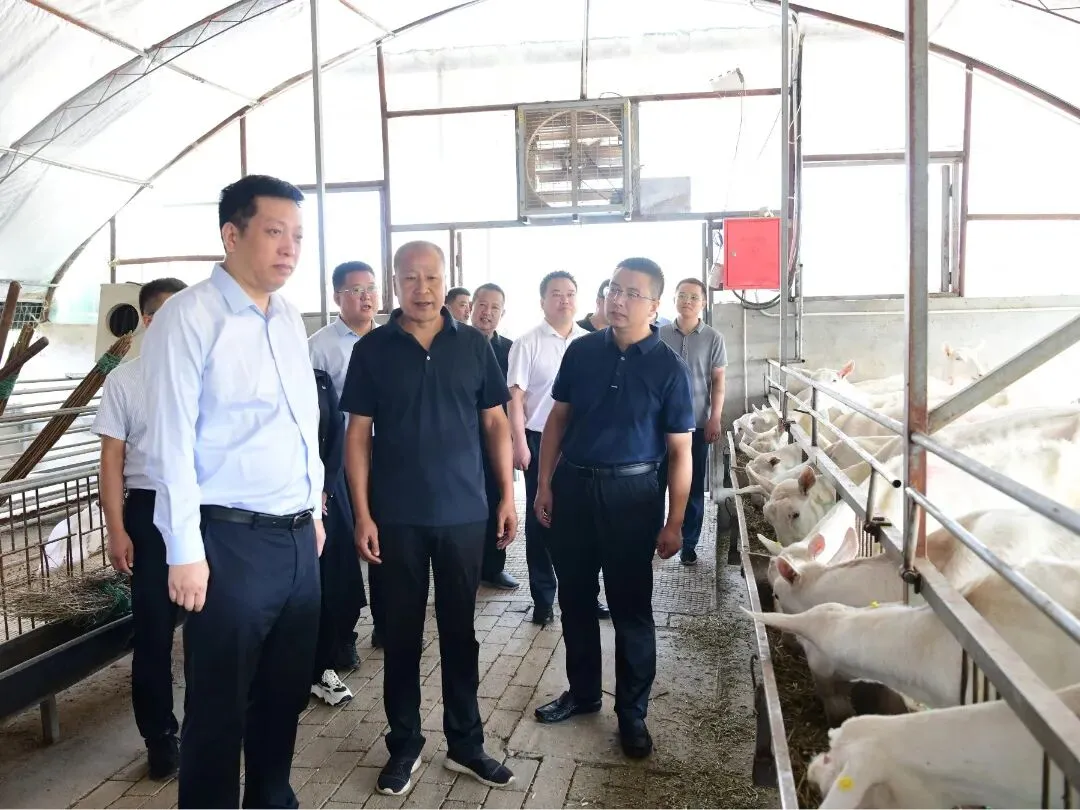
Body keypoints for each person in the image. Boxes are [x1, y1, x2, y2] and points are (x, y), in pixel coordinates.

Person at [142, 174, 325, 809]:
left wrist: (314, 509)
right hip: (229, 542)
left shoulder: (287, 317)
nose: (289, 248)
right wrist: (184, 551)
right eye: (274, 232)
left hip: (297, 538)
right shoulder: (189, 318)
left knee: (284, 694)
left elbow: (301, 420)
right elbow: (169, 442)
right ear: (231, 234)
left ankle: (272, 798)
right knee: (219, 707)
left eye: (297, 235)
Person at [341, 241, 518, 797]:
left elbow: (495, 424)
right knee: (400, 635)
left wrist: (507, 495)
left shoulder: (473, 345)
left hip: (463, 513)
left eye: (433, 278)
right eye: (411, 278)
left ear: (447, 280)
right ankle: (404, 743)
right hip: (396, 518)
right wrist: (363, 513)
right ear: (395, 283)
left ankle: (466, 743)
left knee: (460, 633)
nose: (423, 289)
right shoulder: (373, 350)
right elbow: (357, 436)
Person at [532, 257, 694, 760]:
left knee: (630, 608)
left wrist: (675, 521)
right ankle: (583, 694)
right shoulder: (582, 352)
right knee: (575, 599)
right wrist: (543, 484)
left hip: (633, 496)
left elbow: (681, 452)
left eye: (632, 293)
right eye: (613, 290)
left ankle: (632, 713)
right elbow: (557, 421)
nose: (618, 300)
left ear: (655, 305)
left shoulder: (669, 368)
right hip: (574, 489)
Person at [92, 277, 187, 780]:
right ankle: (160, 737)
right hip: (149, 512)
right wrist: (117, 529)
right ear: (149, 320)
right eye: (172, 311)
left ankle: (209, 724)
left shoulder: (207, 371)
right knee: (153, 630)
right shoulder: (125, 381)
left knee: (215, 623)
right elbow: (111, 460)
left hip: (205, 506)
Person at [507, 271, 609, 626]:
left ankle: (586, 595)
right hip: (539, 441)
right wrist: (520, 443)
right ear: (542, 301)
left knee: (585, 520)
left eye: (569, 293)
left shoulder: (592, 343)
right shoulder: (527, 343)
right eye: (556, 294)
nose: (564, 300)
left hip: (582, 442)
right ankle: (543, 599)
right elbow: (515, 399)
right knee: (542, 520)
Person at [309, 261, 380, 653]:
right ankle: (342, 636)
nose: (366, 297)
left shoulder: (391, 341)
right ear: (337, 296)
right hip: (338, 461)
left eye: (371, 288)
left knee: (389, 541)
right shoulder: (319, 347)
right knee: (341, 550)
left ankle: (387, 623)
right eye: (356, 290)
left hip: (386, 456)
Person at [659, 277, 727, 565]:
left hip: (697, 423)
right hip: (660, 425)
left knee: (693, 485)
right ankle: (654, 536)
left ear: (704, 303)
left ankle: (689, 543)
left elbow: (718, 382)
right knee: (655, 483)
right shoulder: (659, 334)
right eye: (682, 295)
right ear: (673, 299)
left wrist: (715, 418)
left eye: (694, 297)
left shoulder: (714, 338)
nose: (687, 301)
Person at [310, 365, 362, 705]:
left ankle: (324, 667)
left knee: (335, 578)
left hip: (328, 493)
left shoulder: (320, 381)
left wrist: (326, 488)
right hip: (283, 500)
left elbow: (336, 434)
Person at [470, 282, 518, 591]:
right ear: (471, 307)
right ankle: (468, 567)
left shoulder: (510, 349)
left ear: (503, 313)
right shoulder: (456, 345)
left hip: (498, 439)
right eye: (482, 305)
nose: (487, 312)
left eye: (495, 307)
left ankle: (494, 566)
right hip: (464, 440)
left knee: (499, 498)